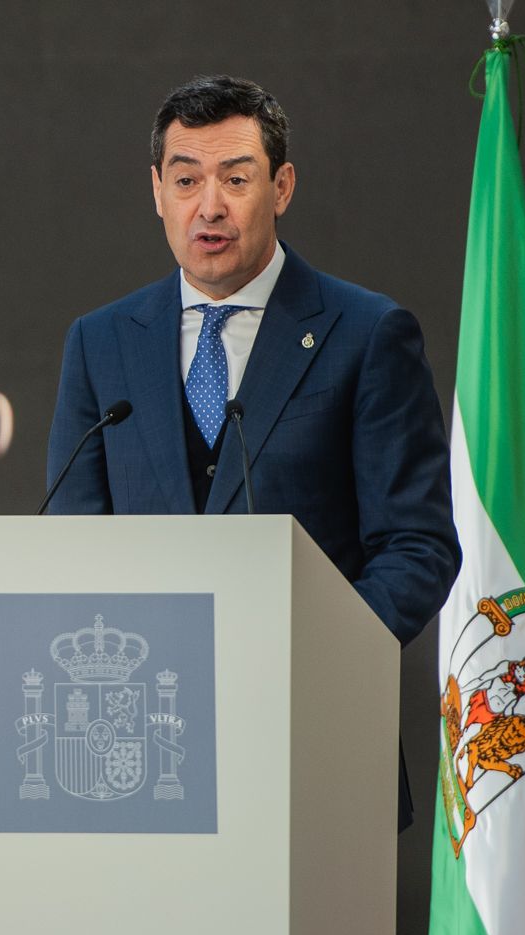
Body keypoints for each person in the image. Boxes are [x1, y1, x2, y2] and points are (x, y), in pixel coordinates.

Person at [45, 75, 461, 829]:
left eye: (236, 179)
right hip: (138, 749)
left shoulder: (366, 334)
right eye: (186, 180)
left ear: (282, 186)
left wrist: (312, 659)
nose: (210, 205)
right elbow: (75, 541)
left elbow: (417, 545)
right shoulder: (100, 342)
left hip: (313, 736)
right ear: (156, 191)